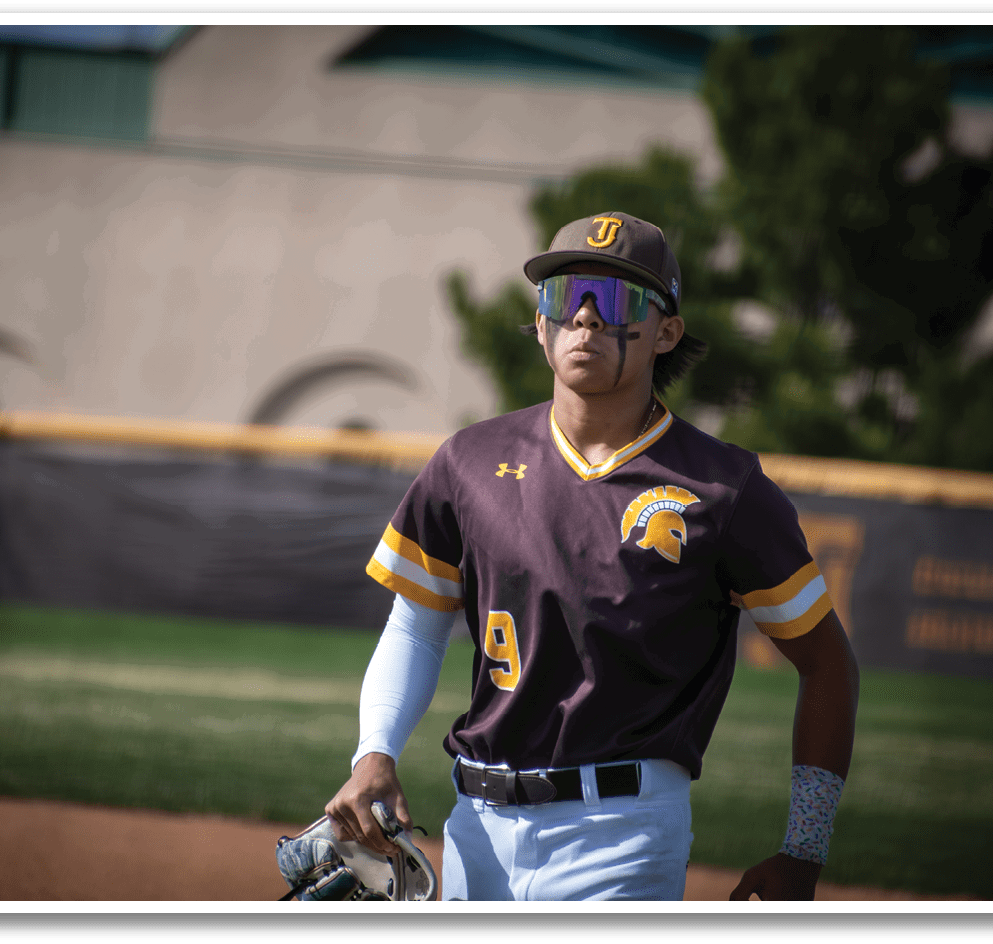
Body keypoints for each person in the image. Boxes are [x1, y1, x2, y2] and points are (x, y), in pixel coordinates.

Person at [326, 211, 860, 901]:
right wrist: (375, 753)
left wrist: (804, 848)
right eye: (564, 295)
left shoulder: (724, 489)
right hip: (474, 828)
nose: (584, 317)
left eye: (614, 300)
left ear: (666, 330)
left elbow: (827, 663)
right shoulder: (468, 461)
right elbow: (414, 626)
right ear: (541, 322)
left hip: (624, 831)